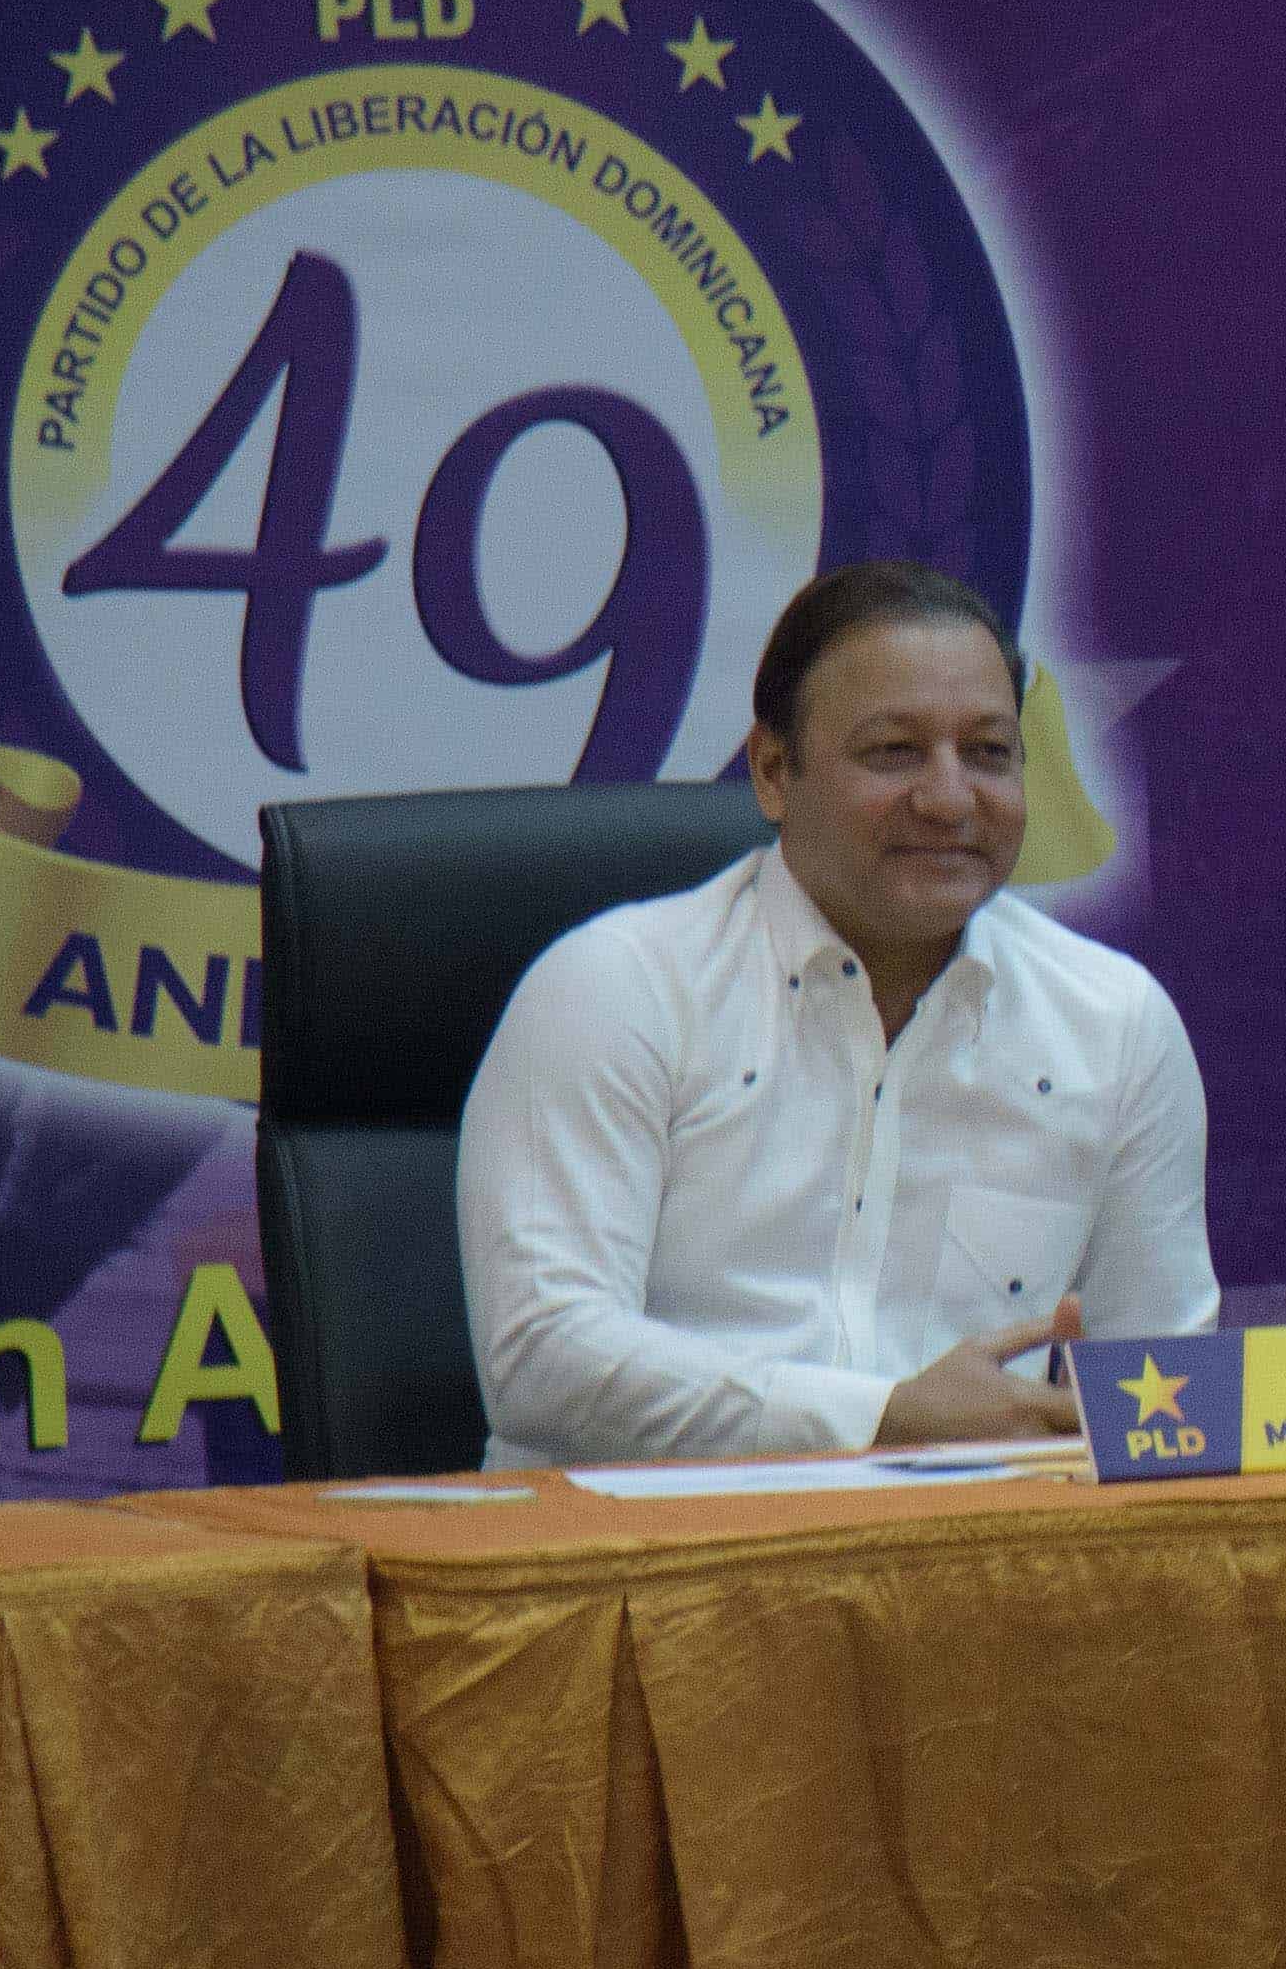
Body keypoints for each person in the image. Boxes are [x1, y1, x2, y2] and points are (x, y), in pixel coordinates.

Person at [461, 560, 1217, 1462]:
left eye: (989, 753)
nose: (949, 799)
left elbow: (1163, 1389)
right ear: (775, 772)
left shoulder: (1116, 1021)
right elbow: (542, 1362)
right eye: (894, 752)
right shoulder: (618, 988)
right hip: (642, 1567)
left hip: (970, 1569)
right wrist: (881, 1417)